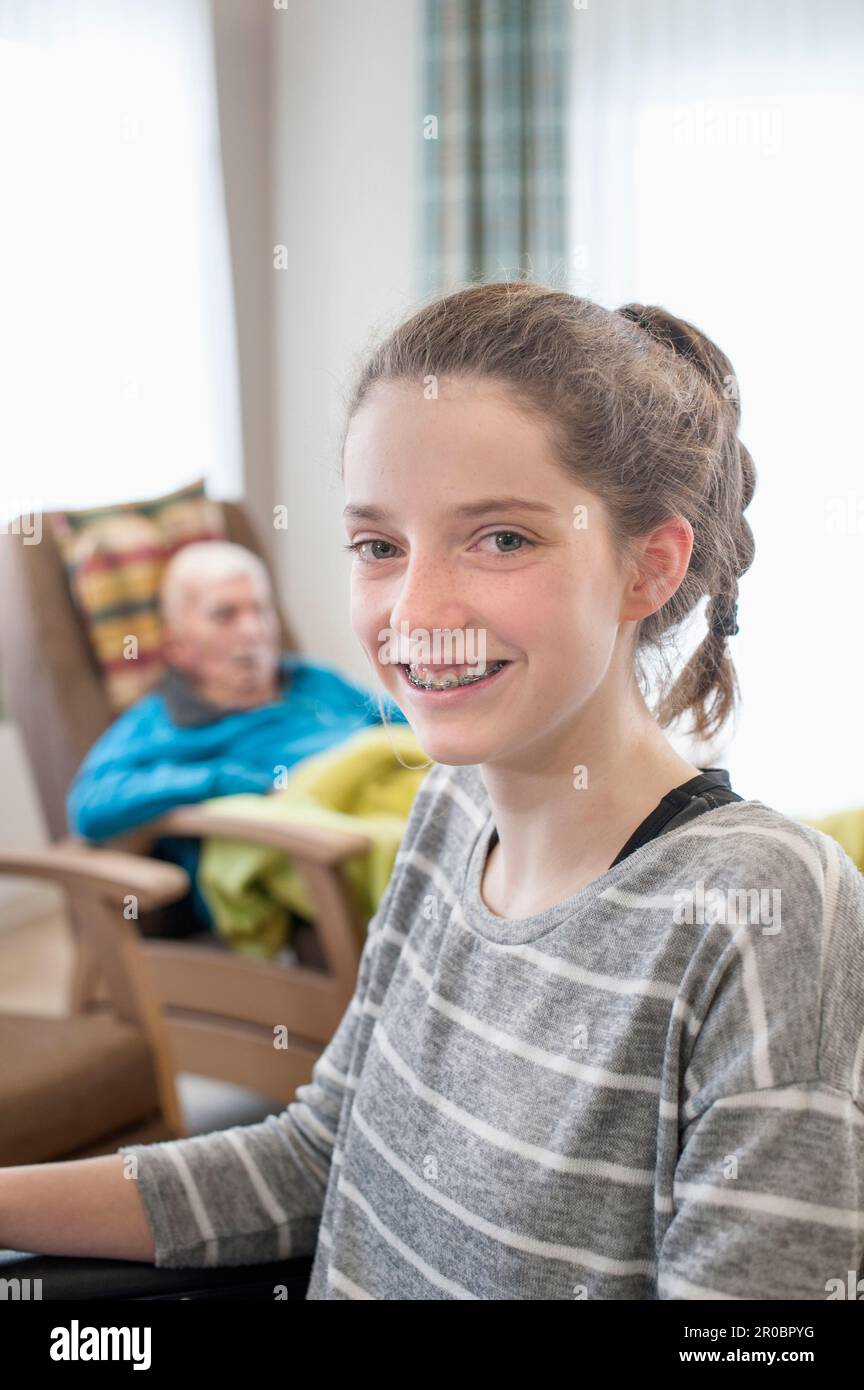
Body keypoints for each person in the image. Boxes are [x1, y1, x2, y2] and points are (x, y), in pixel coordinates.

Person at [3, 281, 862, 1299]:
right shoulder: (449, 809)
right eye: (378, 545)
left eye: (501, 537)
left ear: (650, 568)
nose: (415, 614)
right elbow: (319, 1157)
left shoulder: (764, 911)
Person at [66, 540, 407, 928]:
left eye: (260, 609)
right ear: (177, 647)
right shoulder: (161, 723)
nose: (252, 630)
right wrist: (225, 779)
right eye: (225, 615)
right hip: (320, 859)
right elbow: (90, 805)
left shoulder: (314, 680)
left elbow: (407, 731)